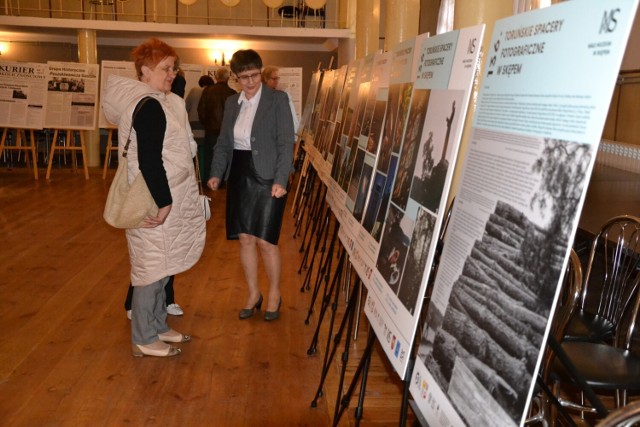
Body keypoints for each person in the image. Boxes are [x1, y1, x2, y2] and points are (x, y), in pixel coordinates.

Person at [103, 38, 206, 357]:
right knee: (149, 271)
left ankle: (158, 325)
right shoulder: (148, 106)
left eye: (174, 67)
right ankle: (144, 337)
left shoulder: (161, 101)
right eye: (165, 68)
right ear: (145, 71)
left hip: (169, 195)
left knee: (163, 266)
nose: (172, 73)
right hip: (155, 199)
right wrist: (164, 202)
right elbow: (148, 160)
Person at [207, 50, 294, 321]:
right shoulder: (233, 103)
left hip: (269, 175)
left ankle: (275, 294)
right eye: (243, 77)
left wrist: (281, 179)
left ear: (261, 70)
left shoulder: (278, 100)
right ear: (235, 78)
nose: (250, 81)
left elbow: (286, 143)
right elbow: (223, 142)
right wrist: (216, 173)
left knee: (266, 240)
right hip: (241, 174)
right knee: (245, 238)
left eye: (254, 75)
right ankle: (254, 293)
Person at [198, 68, 236, 182]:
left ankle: (209, 181)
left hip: (211, 131)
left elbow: (201, 110)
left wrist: (207, 124)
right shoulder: (233, 94)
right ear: (228, 78)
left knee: (210, 157)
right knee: (225, 157)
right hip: (227, 133)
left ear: (216, 77)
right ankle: (224, 180)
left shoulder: (207, 91)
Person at [262, 65, 299, 135]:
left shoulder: (282, 95)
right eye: (274, 78)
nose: (276, 81)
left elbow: (292, 117)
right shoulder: (260, 96)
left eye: (277, 78)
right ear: (265, 79)